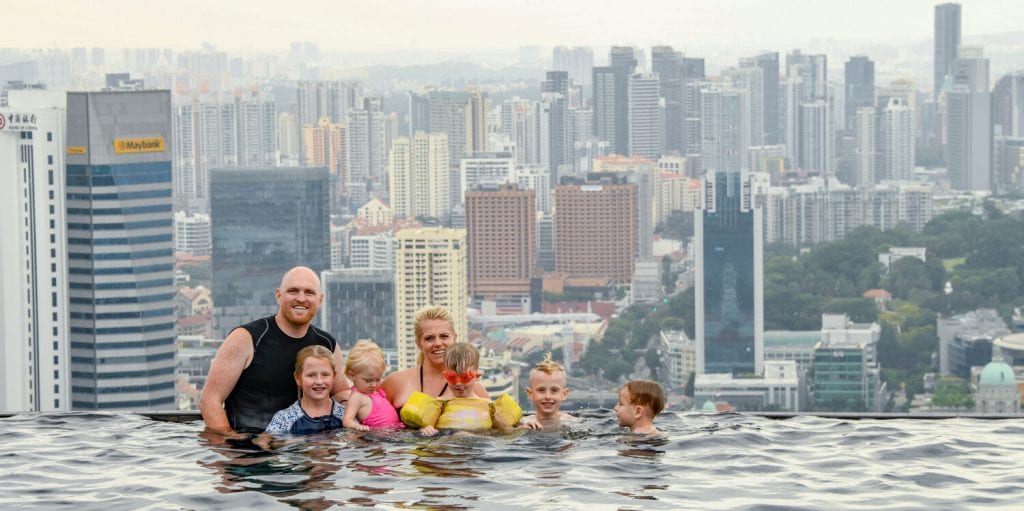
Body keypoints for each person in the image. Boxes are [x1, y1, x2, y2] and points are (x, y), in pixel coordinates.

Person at [199, 266, 350, 434]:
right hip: (249, 449)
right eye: (293, 291)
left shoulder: (327, 344)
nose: (301, 298)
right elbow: (210, 400)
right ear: (278, 295)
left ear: (320, 300)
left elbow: (341, 392)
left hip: (307, 449)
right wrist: (229, 446)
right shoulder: (246, 339)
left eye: (309, 292)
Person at [381, 305, 488, 413]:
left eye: (444, 336)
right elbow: (371, 419)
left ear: (454, 338)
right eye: (429, 338)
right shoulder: (395, 383)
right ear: (418, 343)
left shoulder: (474, 389)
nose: (438, 343)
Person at [416, 342, 520, 436]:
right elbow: (424, 431)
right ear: (445, 376)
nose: (458, 383)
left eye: (465, 377)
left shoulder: (490, 407)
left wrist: (525, 425)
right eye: (452, 377)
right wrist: (425, 430)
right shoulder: (438, 405)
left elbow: (507, 434)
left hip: (478, 450)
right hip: (447, 451)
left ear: (477, 375)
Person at [264, 345, 345, 435]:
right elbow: (270, 443)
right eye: (311, 375)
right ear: (298, 378)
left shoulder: (345, 415)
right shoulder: (284, 418)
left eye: (325, 374)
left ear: (333, 377)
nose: (319, 381)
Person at [342, 340, 404, 431]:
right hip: (377, 436)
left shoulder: (374, 391)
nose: (374, 384)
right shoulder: (357, 397)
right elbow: (347, 421)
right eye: (368, 380)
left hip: (393, 431)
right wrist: (357, 426)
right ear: (352, 375)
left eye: (378, 379)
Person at [522, 352, 575, 430]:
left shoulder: (572, 422)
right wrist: (520, 429)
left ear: (564, 394)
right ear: (530, 393)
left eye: (554, 390)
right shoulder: (524, 422)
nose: (548, 396)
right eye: (541, 390)